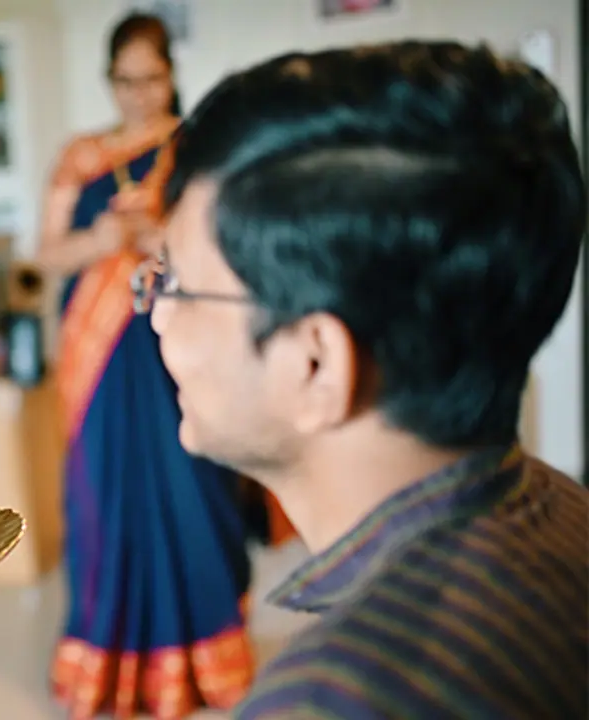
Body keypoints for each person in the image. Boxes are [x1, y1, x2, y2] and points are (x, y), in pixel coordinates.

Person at [143, 41, 588, 718]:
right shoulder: (566, 511)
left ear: (316, 364)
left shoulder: (329, 700)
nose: (155, 316)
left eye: (175, 282)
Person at [38, 13, 253, 719]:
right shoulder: (80, 156)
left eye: (151, 78)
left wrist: (159, 233)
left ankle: (203, 663)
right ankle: (109, 671)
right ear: (110, 81)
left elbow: (226, 242)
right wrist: (103, 236)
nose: (138, 94)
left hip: (175, 339)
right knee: (104, 499)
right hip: (98, 355)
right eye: (125, 81)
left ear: (171, 75)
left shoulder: (196, 148)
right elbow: (47, 255)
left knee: (193, 483)